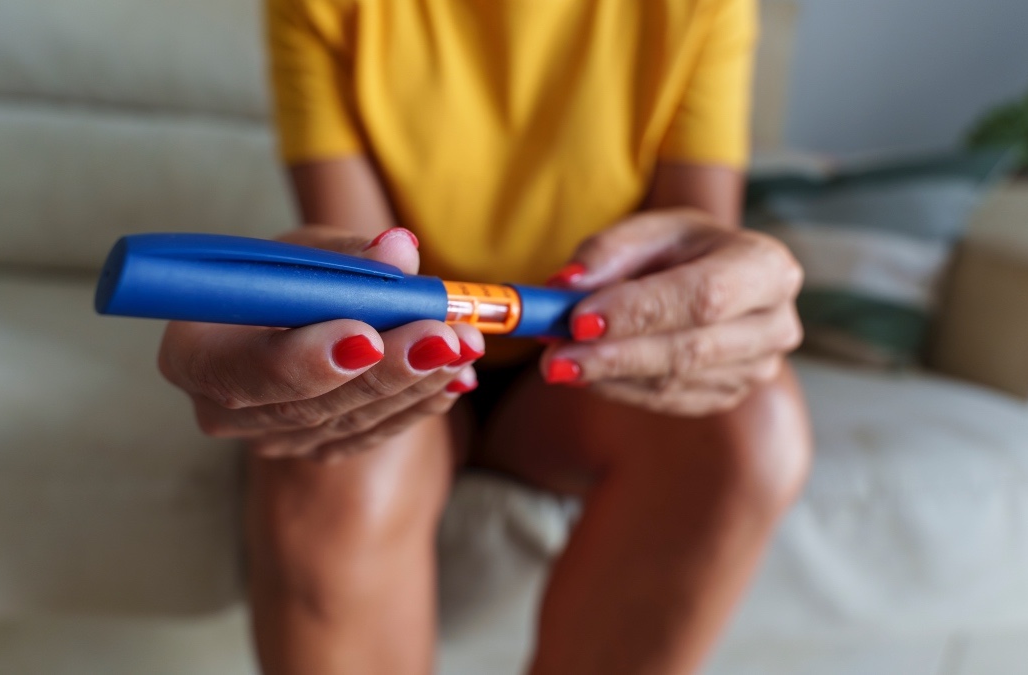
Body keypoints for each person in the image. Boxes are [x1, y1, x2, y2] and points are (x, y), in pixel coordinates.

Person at [158, 0, 811, 672]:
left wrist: (717, 295)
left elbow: (687, 276)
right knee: (334, 440)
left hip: (580, 373)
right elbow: (374, 277)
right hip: (413, 350)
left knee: (751, 426)